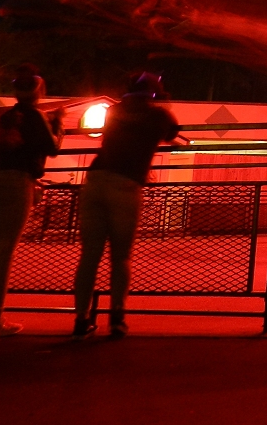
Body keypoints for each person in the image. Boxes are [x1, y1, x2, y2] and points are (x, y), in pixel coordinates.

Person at [72, 72, 180, 338]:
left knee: (89, 255)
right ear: (155, 93)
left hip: (96, 179)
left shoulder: (113, 111)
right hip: (126, 183)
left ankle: (81, 319)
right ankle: (117, 318)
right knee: (120, 257)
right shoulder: (158, 115)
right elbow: (172, 134)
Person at [0, 65, 63, 338]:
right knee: (4, 253)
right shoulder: (36, 116)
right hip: (19, 182)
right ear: (39, 91)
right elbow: (52, 148)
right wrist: (58, 125)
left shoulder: (6, 116)